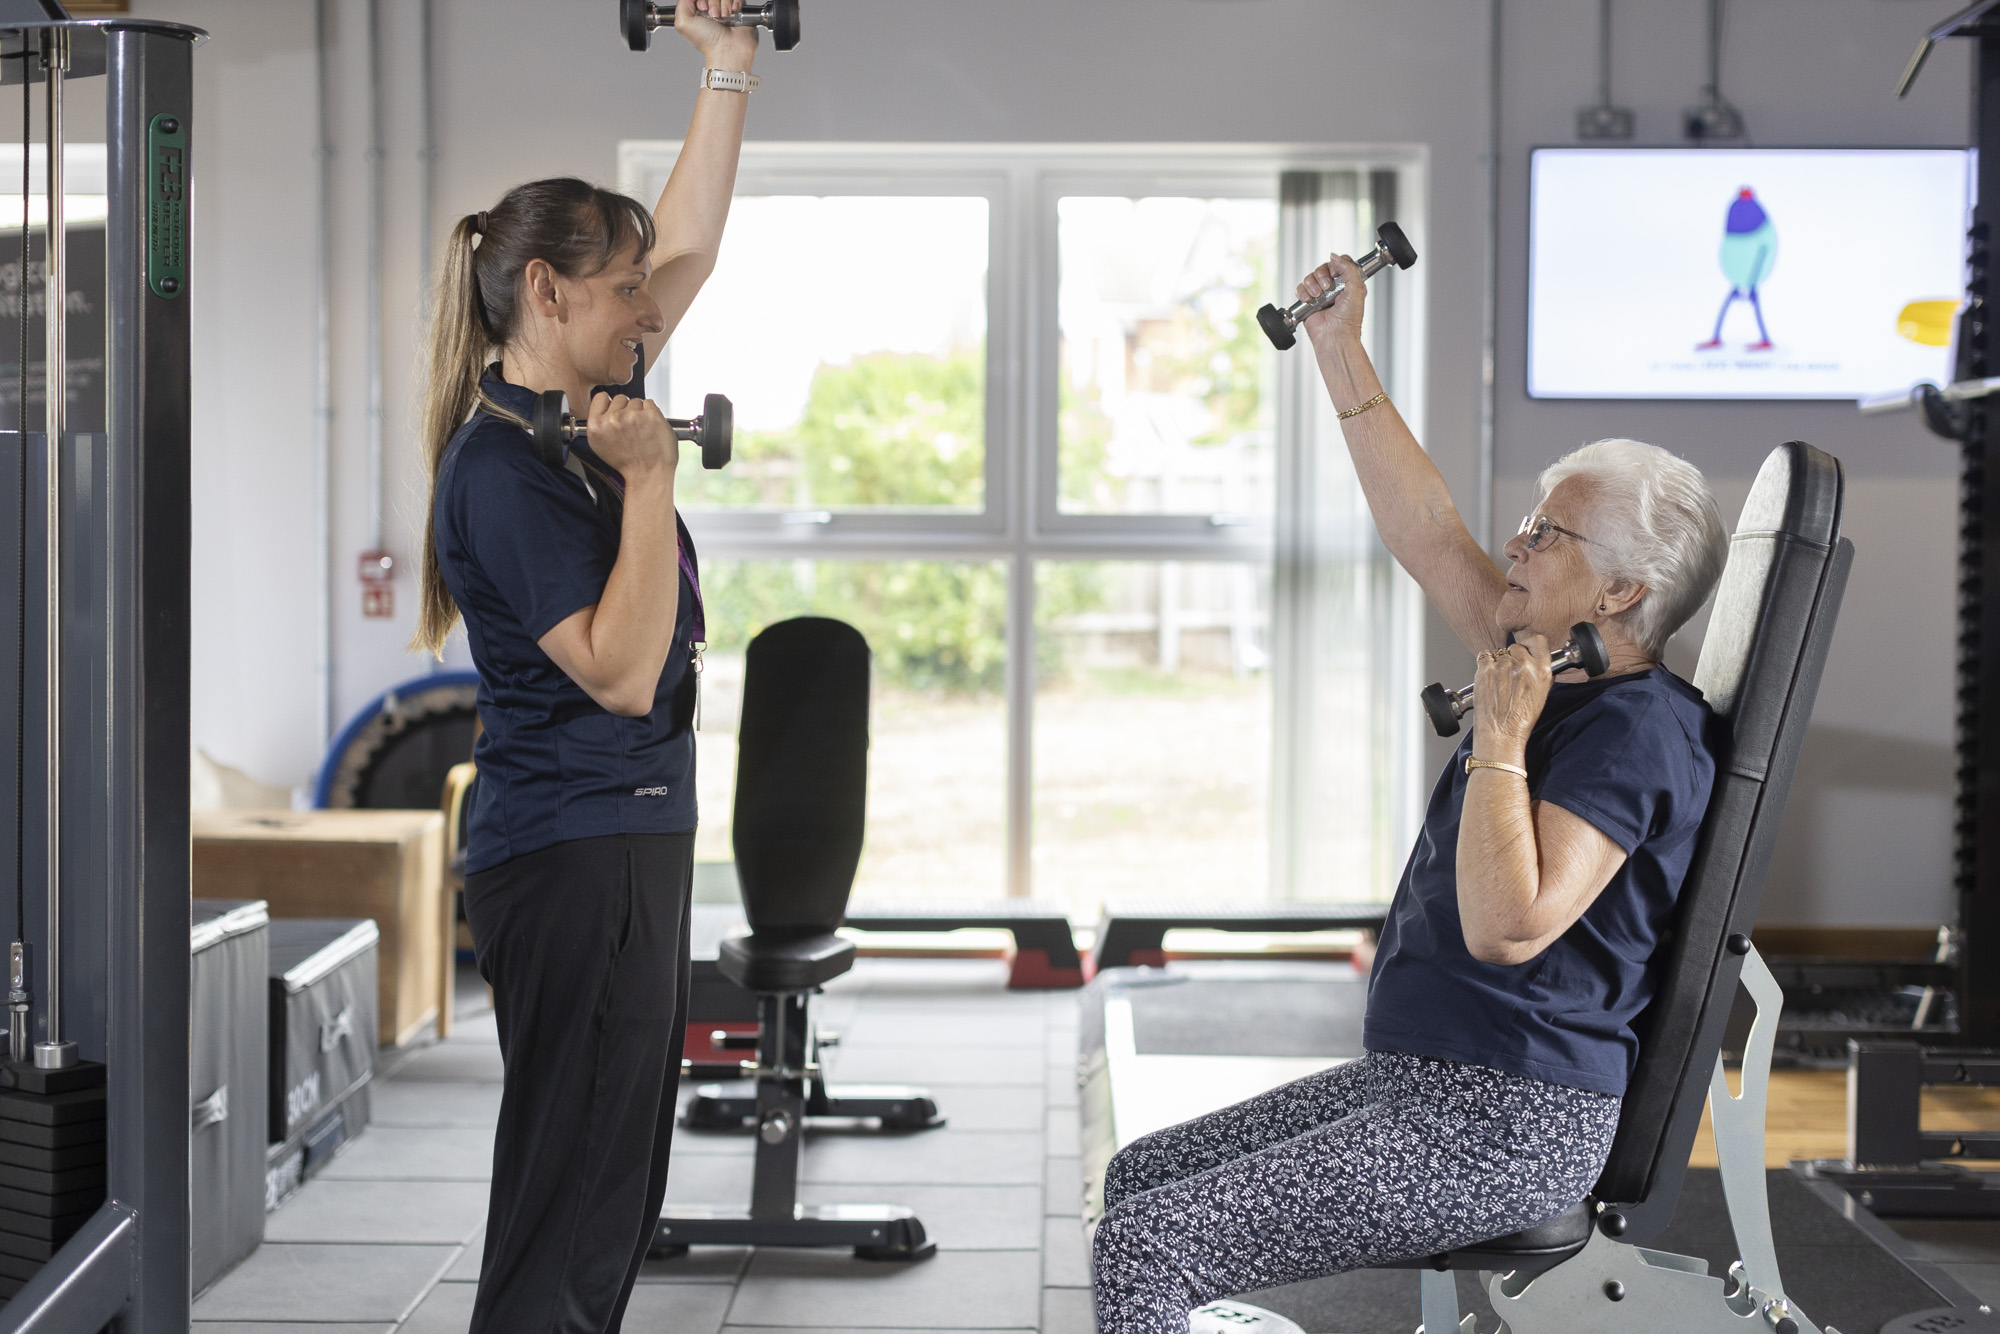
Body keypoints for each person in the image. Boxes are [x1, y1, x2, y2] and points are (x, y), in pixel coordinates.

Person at [1089, 253, 1731, 1333]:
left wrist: (1498, 737)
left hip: (1505, 1123)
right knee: (1141, 1177)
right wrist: (1341, 348)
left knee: (1145, 1244)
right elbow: (1426, 531)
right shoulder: (1547, 659)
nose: (1516, 542)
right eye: (1529, 522)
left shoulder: (1632, 732)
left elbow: (1509, 925)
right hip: (1425, 1082)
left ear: (1621, 591)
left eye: (1547, 534)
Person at [407, 4, 758, 1329]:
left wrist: (727, 65)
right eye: (623, 286)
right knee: (571, 1198)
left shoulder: (584, 396)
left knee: (608, 1186)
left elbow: (696, 241)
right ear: (546, 292)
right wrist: (654, 483)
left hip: (620, 836)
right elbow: (618, 669)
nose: (647, 302)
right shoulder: (504, 467)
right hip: (571, 852)